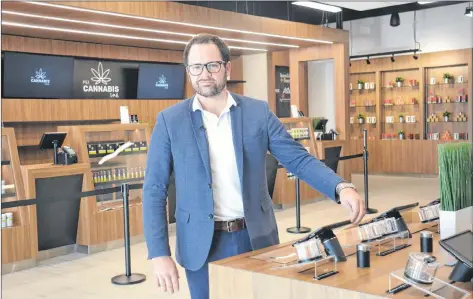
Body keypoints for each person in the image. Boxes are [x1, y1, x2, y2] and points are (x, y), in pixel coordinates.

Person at [142, 33, 365, 299]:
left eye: (212, 65)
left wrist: (341, 187)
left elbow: (298, 159)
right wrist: (158, 253)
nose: (204, 74)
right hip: (200, 243)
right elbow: (154, 189)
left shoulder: (258, 112)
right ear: (188, 71)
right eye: (196, 67)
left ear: (227, 67)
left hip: (255, 236)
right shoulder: (170, 121)